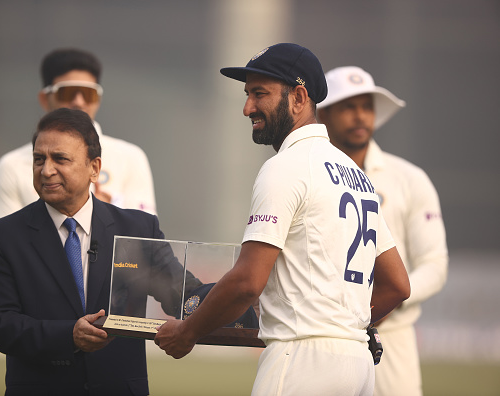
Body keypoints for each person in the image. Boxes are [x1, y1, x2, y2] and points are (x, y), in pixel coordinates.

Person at [154, 43, 411, 395]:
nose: (247, 108)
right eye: (247, 95)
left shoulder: (285, 167)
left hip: (302, 360)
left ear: (298, 97)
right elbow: (397, 285)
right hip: (359, 364)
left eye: (260, 94)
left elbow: (247, 282)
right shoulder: (356, 173)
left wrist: (187, 332)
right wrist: (341, 327)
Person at [0, 108, 200, 395]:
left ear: (95, 168)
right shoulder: (0, 238)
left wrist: (238, 306)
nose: (46, 170)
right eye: (38, 159)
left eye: (60, 159)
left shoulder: (138, 229)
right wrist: (69, 335)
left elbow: (182, 293)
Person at [317, 66, 448, 396]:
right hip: (323, 334)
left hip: (393, 341)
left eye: (367, 106)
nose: (360, 116)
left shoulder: (409, 179)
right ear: (324, 115)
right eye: (349, 106)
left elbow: (435, 265)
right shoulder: (307, 174)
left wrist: (387, 303)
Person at [0, 48, 156, 221]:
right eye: (67, 92)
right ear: (45, 99)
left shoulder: (130, 158)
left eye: (88, 94)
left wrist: (104, 215)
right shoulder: (12, 166)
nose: (79, 101)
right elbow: (4, 242)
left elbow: (143, 240)